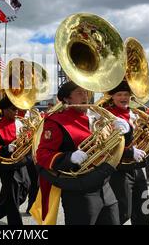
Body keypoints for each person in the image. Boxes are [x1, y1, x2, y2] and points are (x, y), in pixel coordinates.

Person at [35, 81, 127, 225]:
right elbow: (42, 154)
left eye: (86, 92)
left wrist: (123, 130)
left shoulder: (99, 117)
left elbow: (114, 146)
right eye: (79, 93)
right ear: (67, 99)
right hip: (80, 191)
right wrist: (69, 157)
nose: (85, 96)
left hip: (105, 186)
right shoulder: (57, 121)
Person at [106, 80, 149, 225]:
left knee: (144, 211)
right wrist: (128, 152)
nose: (123, 97)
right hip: (118, 170)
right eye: (119, 94)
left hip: (137, 169)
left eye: (126, 94)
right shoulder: (107, 116)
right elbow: (105, 145)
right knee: (122, 211)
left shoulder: (136, 115)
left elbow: (146, 140)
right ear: (112, 97)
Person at [0, 96, 31, 225]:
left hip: (21, 162)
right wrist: (6, 148)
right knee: (12, 199)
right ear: (4, 110)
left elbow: (28, 140)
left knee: (24, 190)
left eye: (17, 108)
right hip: (7, 165)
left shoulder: (20, 123)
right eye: (13, 109)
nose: (16, 111)